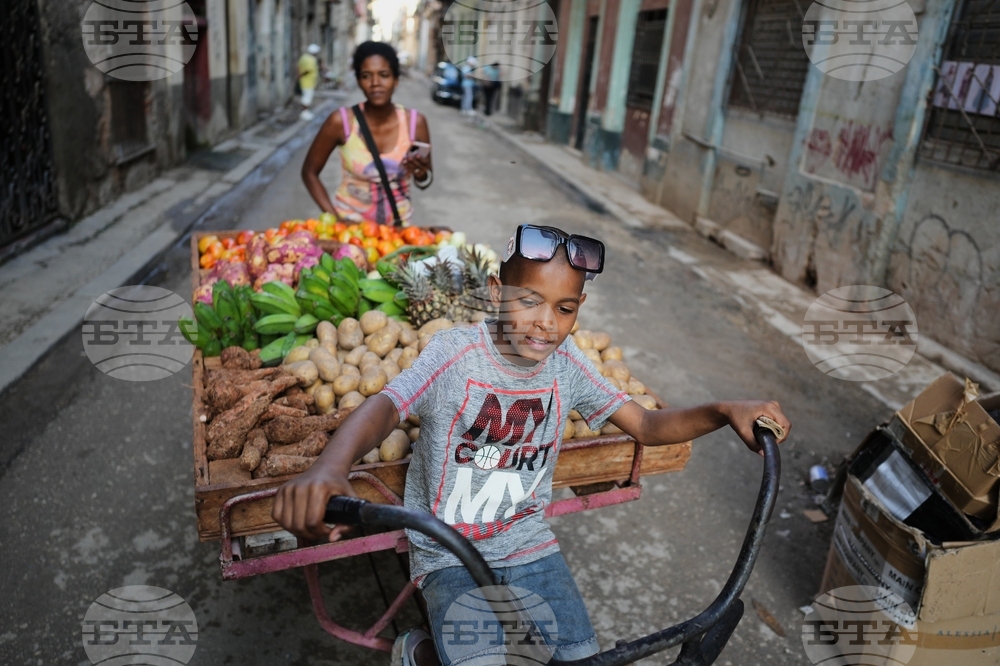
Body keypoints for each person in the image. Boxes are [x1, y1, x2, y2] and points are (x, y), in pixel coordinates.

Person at [272, 223, 791, 666]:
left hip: (528, 542)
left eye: (564, 309)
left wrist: (724, 411)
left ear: (579, 308)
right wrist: (331, 466)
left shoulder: (569, 367)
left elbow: (648, 425)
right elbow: (387, 406)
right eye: (529, 301)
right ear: (496, 292)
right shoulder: (455, 354)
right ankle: (420, 653)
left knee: (580, 658)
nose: (546, 322)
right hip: (449, 550)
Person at [301, 41, 432, 226]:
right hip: (349, 231)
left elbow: (425, 179)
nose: (375, 83)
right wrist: (336, 220)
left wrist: (420, 172)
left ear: (396, 79)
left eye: (384, 75)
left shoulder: (415, 123)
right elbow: (309, 172)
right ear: (358, 80)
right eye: (366, 76)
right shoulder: (341, 122)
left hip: (398, 232)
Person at [298, 43, 321, 121]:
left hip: (304, 81)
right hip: (308, 82)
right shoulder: (311, 59)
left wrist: (299, 75)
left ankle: (305, 112)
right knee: (307, 98)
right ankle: (304, 112)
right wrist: (301, 75)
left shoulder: (303, 57)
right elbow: (308, 70)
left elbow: (298, 66)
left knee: (305, 96)